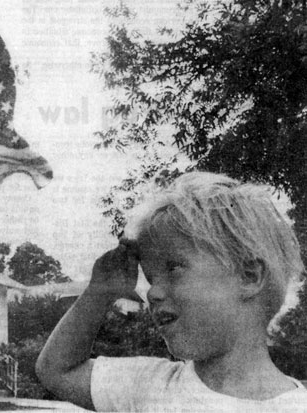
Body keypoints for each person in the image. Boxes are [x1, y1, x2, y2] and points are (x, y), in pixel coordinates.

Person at [36, 172, 307, 412]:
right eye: (151, 278)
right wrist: (99, 292)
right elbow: (58, 370)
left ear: (249, 277)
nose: (152, 292)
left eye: (174, 268)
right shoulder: (150, 386)